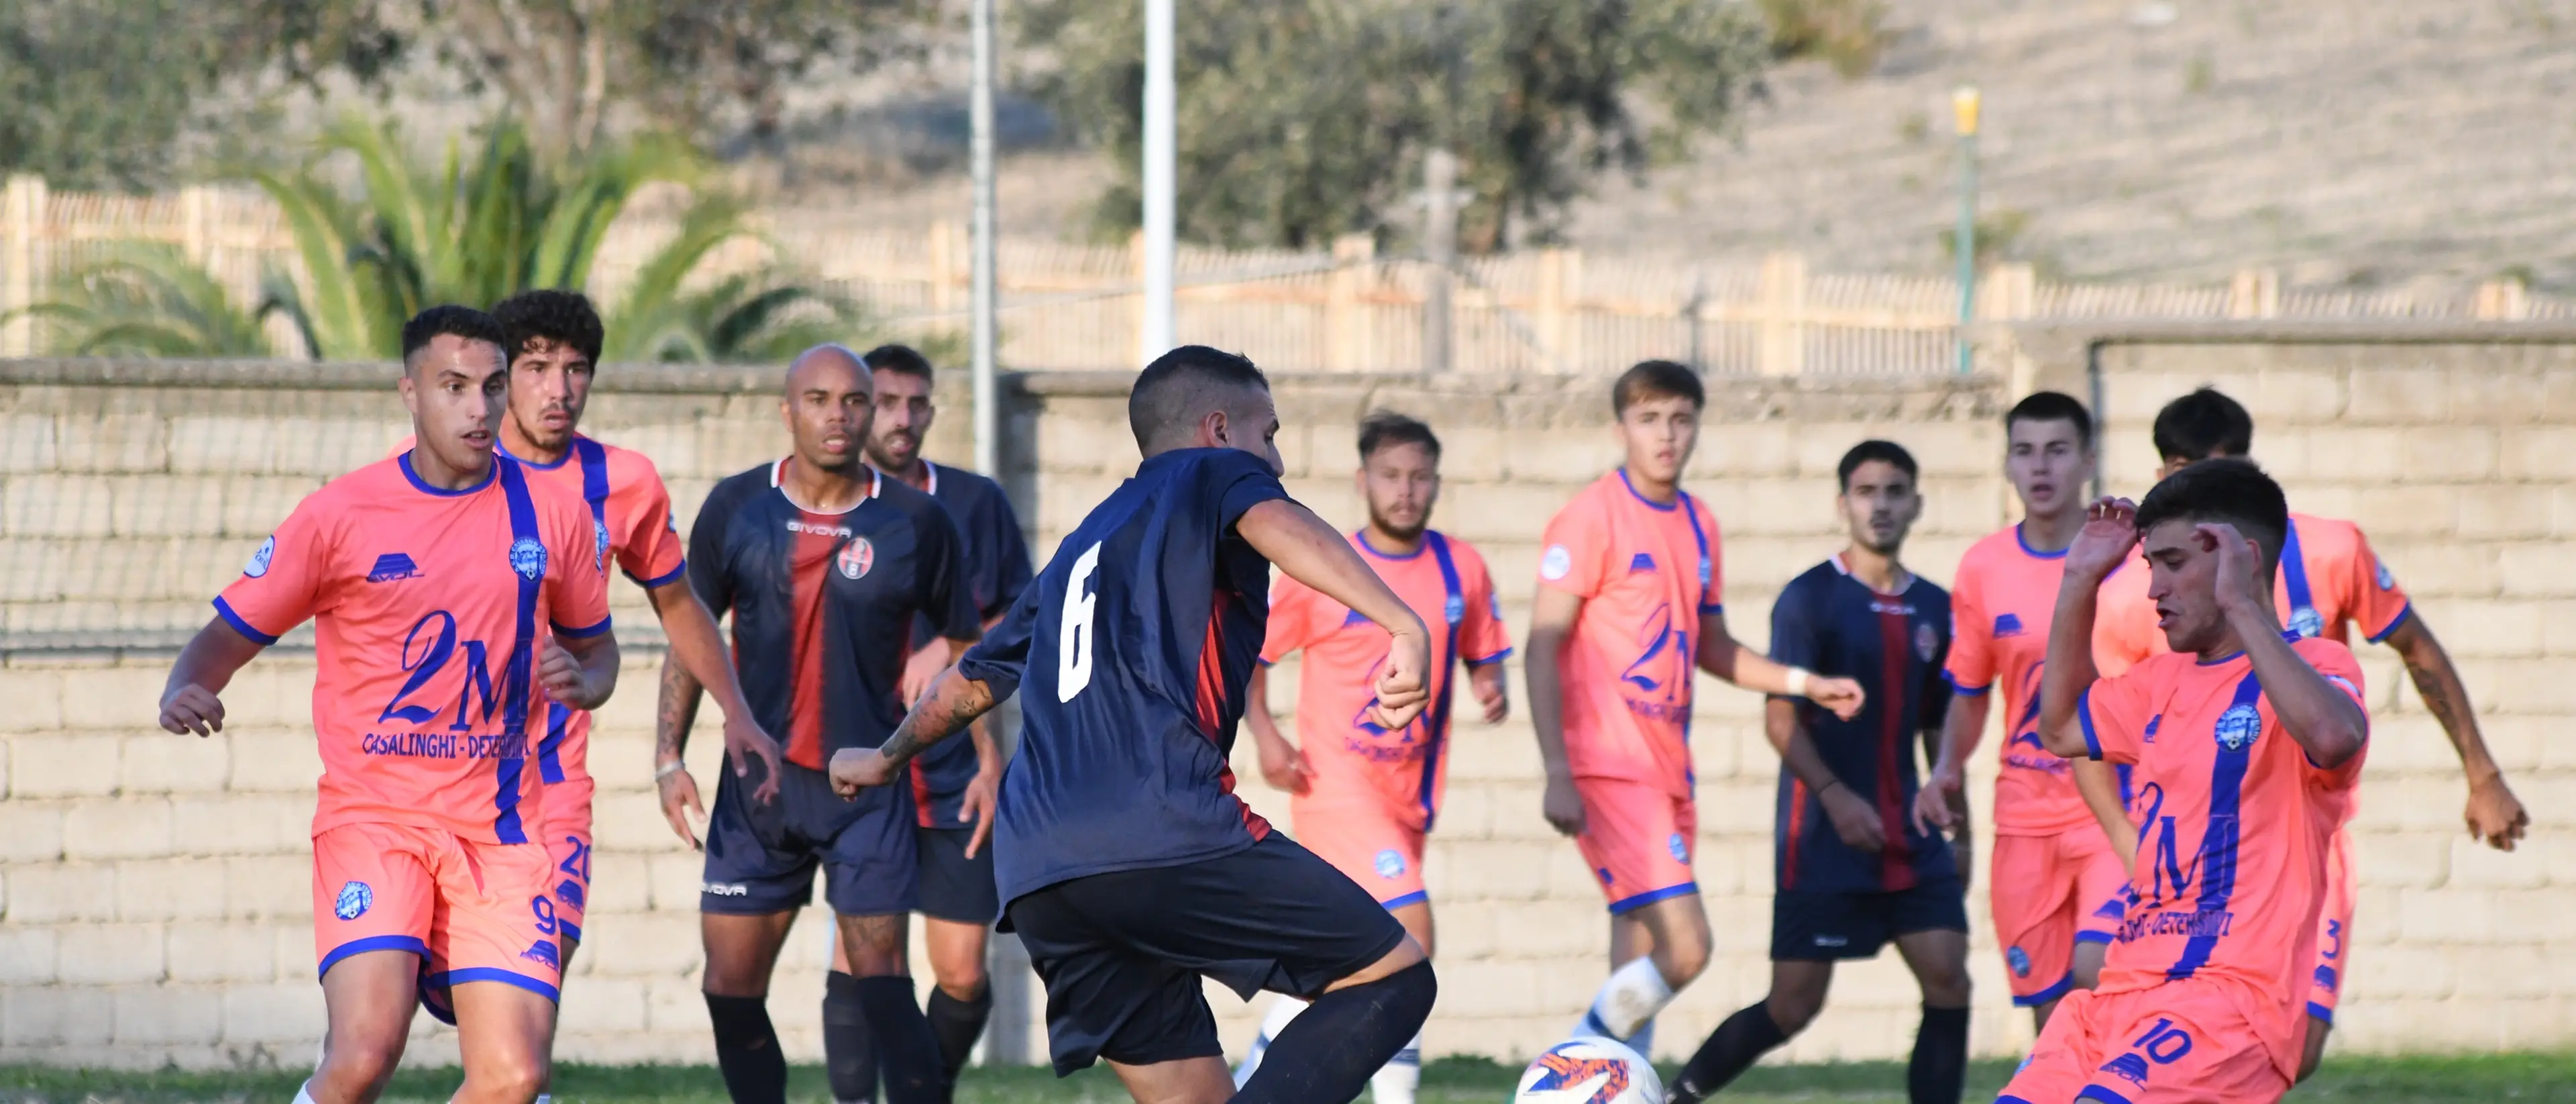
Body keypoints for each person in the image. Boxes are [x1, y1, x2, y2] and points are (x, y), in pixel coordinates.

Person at [828, 346, 1440, 1104]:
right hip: (1161, 826)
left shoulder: (1082, 544)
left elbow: (974, 678)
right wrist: (1401, 622)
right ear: (1218, 429)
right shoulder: (1212, 472)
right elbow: (1279, 518)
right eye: (1269, 434)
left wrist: (886, 758)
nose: (1275, 459)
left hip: (1043, 872)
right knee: (1396, 976)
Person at [156, 306, 619, 1104]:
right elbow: (225, 637)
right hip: (376, 821)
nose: (480, 409)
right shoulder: (341, 516)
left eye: (492, 387)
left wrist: (588, 682)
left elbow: (598, 649)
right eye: (454, 387)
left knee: (514, 1077)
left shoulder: (554, 513)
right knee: (366, 1050)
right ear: (411, 392)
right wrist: (187, 685)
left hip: (503, 832)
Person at [2086, 387, 2528, 1079]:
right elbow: (2087, 728)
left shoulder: (2329, 549)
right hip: (2185, 860)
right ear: (2168, 475)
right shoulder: (2134, 595)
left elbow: (2416, 648)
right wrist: (2126, 840)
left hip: (2298, 846)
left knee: (2294, 1042)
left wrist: (2482, 772)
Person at [396, 289, 782, 985]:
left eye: (577, 370)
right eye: (538, 367)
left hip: (551, 781)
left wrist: (736, 714)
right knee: (391, 1013)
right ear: (501, 377)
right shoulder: (432, 475)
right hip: (438, 776)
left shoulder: (622, 483)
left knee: (539, 979)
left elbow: (679, 603)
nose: (559, 390)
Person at [659, 345, 983, 1104]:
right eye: (819, 399)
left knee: (884, 984)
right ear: (788, 411)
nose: (838, 414)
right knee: (730, 989)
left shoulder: (916, 522)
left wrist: (947, 753)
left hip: (865, 795)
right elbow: (690, 633)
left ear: (869, 413)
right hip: (756, 795)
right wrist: (667, 756)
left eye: (853, 401)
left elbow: (970, 650)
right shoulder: (737, 508)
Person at [1996, 460, 2371, 1104]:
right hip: (2121, 994)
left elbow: (2335, 737)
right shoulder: (2159, 681)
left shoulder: (2316, 667)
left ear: (2240, 558)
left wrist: (2243, 605)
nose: (2154, 589)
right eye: (2151, 566)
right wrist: (2080, 577)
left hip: (2231, 1004)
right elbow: (2058, 728)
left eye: (2173, 563)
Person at [1524, 360, 1864, 1056]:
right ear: (1622, 427)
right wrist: (1556, 767)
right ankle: (1567, 1073)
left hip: (1670, 771)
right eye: (1649, 419)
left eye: (1680, 419)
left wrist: (1803, 683)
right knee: (1688, 947)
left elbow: (1712, 644)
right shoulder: (1590, 518)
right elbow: (1540, 645)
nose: (1666, 435)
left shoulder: (1699, 521)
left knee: (1637, 950)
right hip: (1610, 768)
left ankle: (1616, 1087)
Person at [1666, 441, 1970, 1104]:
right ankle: (1674, 1097)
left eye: (1895, 491)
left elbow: (1937, 730)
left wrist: (1962, 829)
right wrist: (1835, 799)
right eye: (1867, 492)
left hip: (1911, 836)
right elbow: (1780, 722)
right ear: (1843, 504)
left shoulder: (1937, 609)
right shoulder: (1809, 598)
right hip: (1824, 837)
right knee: (1794, 1004)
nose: (1881, 504)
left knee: (1950, 978)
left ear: (1917, 503)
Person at [1233, 411, 1515, 1103]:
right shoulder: (1328, 568)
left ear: (1437, 483)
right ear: (1364, 480)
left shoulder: (1462, 567)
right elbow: (1253, 659)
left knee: (1355, 961)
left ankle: (1248, 1085)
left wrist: (1488, 680)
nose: (1406, 490)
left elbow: (1480, 643)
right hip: (1337, 787)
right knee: (1408, 937)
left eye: (1420, 477)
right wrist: (1267, 738)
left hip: (1410, 796)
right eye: (1391, 475)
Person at [822, 344, 1036, 1101]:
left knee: (963, 973)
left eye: (917, 404)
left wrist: (950, 645)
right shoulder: (829, 507)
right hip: (859, 767)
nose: (902, 418)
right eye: (885, 402)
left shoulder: (977, 504)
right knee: (864, 961)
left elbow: (1022, 613)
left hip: (957, 768)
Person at [1910, 391, 2127, 1027]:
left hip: (2111, 809)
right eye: (2025, 452)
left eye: (2057, 451)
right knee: (2053, 1020)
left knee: (2102, 972)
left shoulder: (2129, 561)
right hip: (2024, 820)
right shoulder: (1983, 567)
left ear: (2087, 458)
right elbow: (1971, 688)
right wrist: (1948, 767)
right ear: (2006, 464)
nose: (2041, 468)